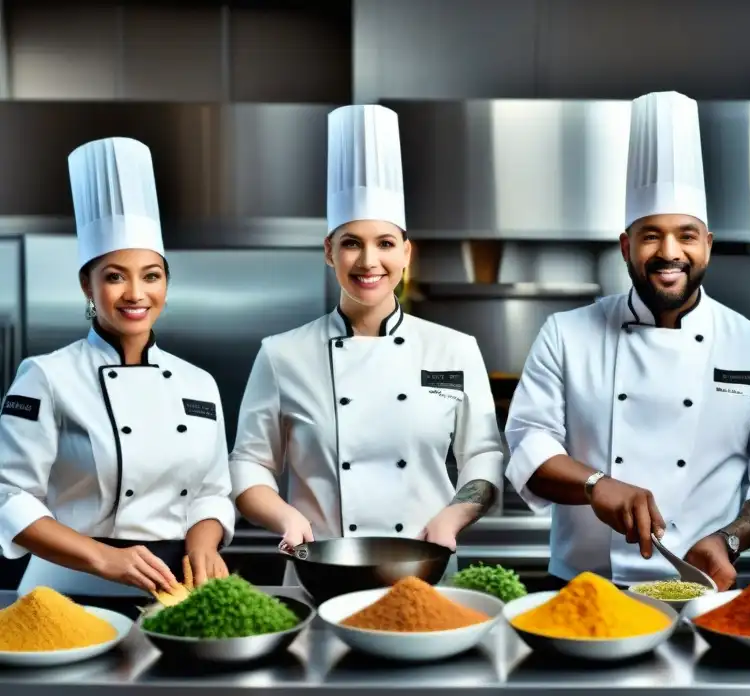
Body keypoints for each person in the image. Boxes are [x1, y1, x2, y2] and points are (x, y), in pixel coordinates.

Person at [504, 92, 750, 590]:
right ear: (626, 246)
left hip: (697, 585)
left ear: (707, 245)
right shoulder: (565, 334)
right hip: (584, 589)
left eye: (686, 235)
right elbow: (527, 446)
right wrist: (595, 485)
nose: (669, 252)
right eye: (651, 235)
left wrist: (731, 538)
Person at [229, 104, 503, 579]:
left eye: (385, 243)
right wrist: (286, 517)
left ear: (406, 253)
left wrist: (454, 516)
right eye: (351, 242)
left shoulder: (455, 349)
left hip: (426, 571)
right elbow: (248, 464)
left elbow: (483, 454)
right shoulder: (281, 354)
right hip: (318, 572)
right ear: (328, 252)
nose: (368, 260)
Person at [0, 137, 235, 597]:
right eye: (114, 276)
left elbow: (212, 492)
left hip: (172, 590)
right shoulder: (46, 376)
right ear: (87, 285)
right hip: (68, 588)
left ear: (166, 282)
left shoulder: (198, 384)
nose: (135, 293)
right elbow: (9, 498)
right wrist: (104, 558)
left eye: (151, 275)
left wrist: (204, 543)